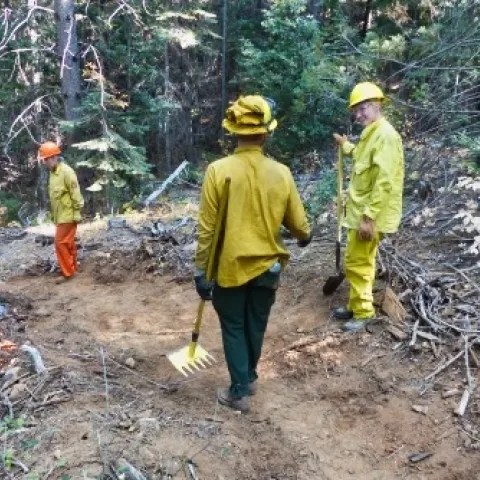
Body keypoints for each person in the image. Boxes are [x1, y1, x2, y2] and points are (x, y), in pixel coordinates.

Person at [194, 95, 311, 413]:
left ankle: (239, 390)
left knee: (233, 326)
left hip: (229, 268)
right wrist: (303, 236)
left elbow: (207, 230)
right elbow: (300, 225)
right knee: (255, 324)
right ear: (266, 132)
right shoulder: (281, 173)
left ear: (234, 131)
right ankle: (251, 376)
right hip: (267, 268)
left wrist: (202, 272)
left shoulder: (219, 171)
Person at [333, 82, 404, 332]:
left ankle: (364, 311)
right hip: (360, 212)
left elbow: (385, 181)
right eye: (356, 111)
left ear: (377, 105)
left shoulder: (385, 135)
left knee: (359, 263)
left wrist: (369, 217)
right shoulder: (372, 132)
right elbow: (364, 159)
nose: (358, 115)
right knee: (356, 259)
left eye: (363, 109)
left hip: (369, 215)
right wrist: (346, 146)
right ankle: (355, 304)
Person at [39, 141, 84, 281]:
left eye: (46, 159)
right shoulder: (53, 173)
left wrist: (77, 213)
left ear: (54, 157)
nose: (45, 162)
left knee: (60, 243)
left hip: (68, 215)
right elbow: (55, 198)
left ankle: (68, 273)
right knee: (68, 242)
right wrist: (54, 216)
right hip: (60, 216)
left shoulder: (67, 172)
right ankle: (73, 267)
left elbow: (76, 194)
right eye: (44, 160)